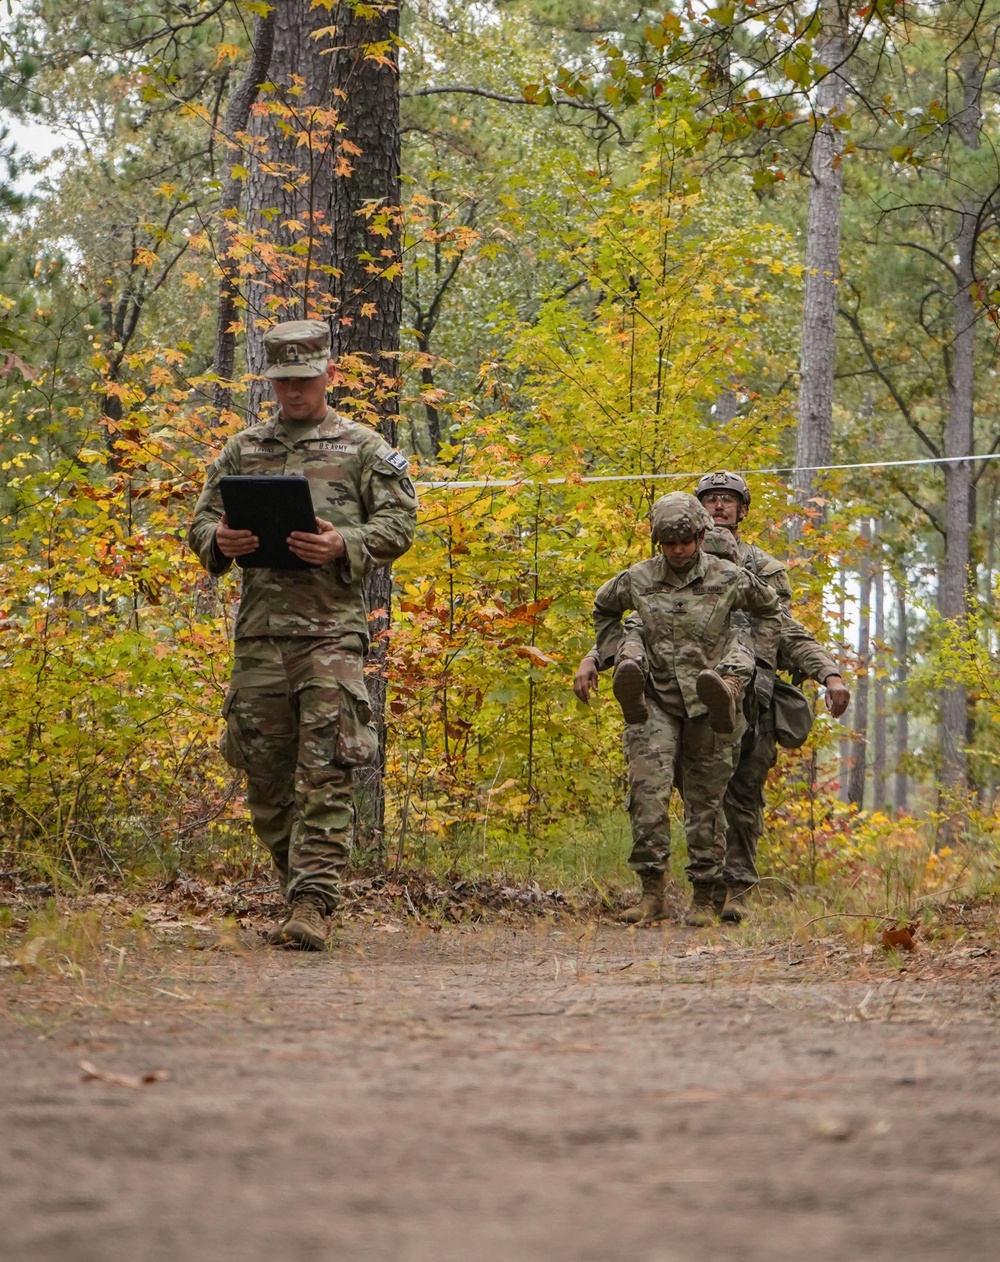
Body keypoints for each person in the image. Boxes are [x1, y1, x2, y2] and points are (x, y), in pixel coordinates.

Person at [188, 320, 418, 950]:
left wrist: (344, 542)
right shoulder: (242, 450)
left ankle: (314, 902)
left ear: (329, 376)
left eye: (305, 379)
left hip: (331, 636)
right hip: (260, 636)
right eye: (283, 380)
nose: (293, 392)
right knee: (262, 773)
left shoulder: (365, 448)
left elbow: (401, 524)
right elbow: (202, 520)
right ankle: (298, 886)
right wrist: (218, 541)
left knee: (327, 769)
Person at [574, 492, 783, 926]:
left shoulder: (731, 577)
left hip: (712, 704)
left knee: (706, 804)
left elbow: (770, 611)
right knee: (648, 795)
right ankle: (651, 894)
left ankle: (705, 899)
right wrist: (610, 653)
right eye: (669, 544)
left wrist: (754, 658)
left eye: (686, 541)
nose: (679, 550)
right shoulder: (638, 578)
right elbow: (603, 607)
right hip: (654, 699)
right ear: (658, 544)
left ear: (701, 536)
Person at [694, 471, 850, 920]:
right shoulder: (676, 563)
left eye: (728, 500)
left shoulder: (763, 569)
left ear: (742, 511)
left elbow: (788, 632)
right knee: (699, 796)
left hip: (754, 699)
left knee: (744, 794)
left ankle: (738, 892)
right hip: (692, 699)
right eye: (710, 499)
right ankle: (701, 891)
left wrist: (830, 675)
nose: (719, 506)